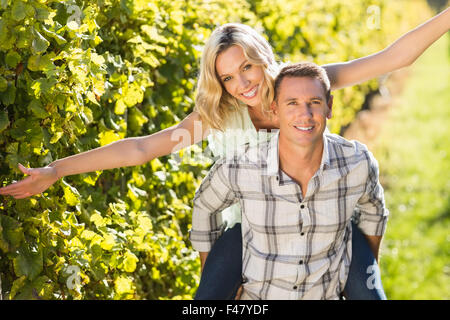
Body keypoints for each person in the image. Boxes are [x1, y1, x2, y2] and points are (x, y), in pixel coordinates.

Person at [0, 8, 449, 300]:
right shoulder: (220, 115)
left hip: (324, 222)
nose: (243, 84)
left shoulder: (305, 84)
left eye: (247, 67)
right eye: (230, 77)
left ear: (262, 57)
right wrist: (56, 169)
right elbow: (140, 148)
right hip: (252, 232)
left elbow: (395, 57)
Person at [190, 62, 388, 299]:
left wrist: (362, 273)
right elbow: (204, 205)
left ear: (329, 107)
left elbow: (373, 211)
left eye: (314, 102)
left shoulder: (356, 162)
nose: (304, 115)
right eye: (292, 103)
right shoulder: (242, 166)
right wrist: (211, 273)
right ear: (275, 110)